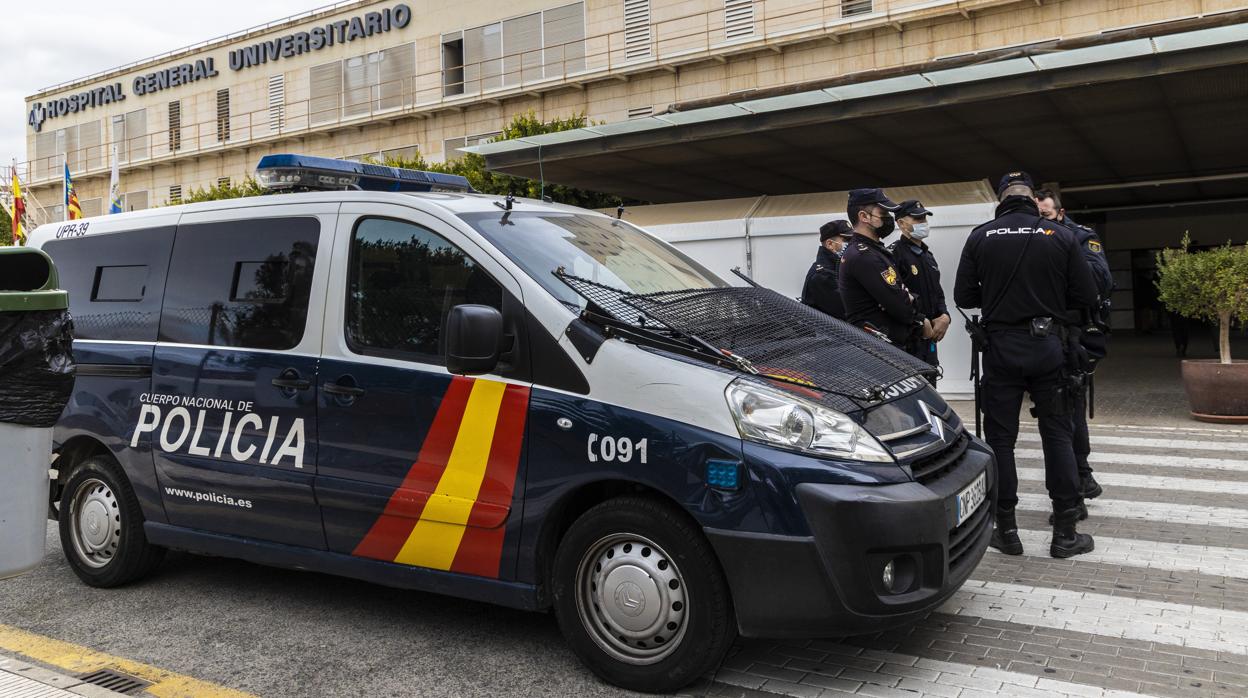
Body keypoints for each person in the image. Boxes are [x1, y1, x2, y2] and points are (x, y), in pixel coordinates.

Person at [954, 172, 1099, 559]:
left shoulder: (980, 235)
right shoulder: (1061, 235)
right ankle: (1065, 533)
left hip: (1000, 349)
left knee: (1001, 440)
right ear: (1033, 200)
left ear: (1001, 199)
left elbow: (963, 295)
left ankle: (1008, 531)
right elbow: (1085, 294)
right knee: (1058, 436)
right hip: (1048, 348)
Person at [1035, 188, 1111, 502]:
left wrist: (1061, 254)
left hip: (1076, 335)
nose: (1042, 223)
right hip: (1042, 337)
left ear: (1061, 214)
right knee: (1057, 412)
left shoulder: (1080, 237)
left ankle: (1081, 474)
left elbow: (1100, 279)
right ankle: (1080, 476)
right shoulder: (1029, 240)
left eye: (1048, 216)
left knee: (1069, 407)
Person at [838, 188, 933, 346]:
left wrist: (907, 297)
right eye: (883, 213)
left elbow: (899, 294)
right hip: (878, 349)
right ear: (863, 216)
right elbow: (899, 304)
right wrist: (917, 313)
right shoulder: (863, 256)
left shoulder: (874, 251)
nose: (889, 218)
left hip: (888, 346)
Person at [890, 200, 950, 369]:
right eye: (917, 219)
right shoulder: (894, 254)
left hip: (929, 341)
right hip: (906, 341)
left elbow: (937, 293)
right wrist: (919, 319)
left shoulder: (927, 256)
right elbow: (893, 296)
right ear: (901, 223)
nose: (923, 223)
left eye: (924, 218)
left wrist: (945, 316)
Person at [801, 219, 853, 319]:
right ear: (830, 244)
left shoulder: (836, 267)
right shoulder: (822, 276)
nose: (850, 244)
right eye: (846, 240)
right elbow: (846, 310)